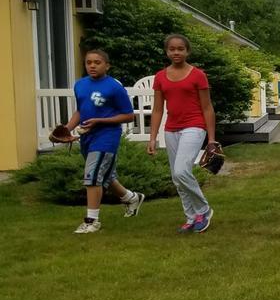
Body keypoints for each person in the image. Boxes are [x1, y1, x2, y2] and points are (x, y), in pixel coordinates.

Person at [65, 48, 145, 234]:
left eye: (97, 62)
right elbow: (80, 111)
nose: (92, 65)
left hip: (106, 137)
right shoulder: (80, 85)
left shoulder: (114, 87)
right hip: (87, 136)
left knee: (92, 176)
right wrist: (66, 129)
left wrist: (101, 121)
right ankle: (132, 198)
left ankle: (92, 221)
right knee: (105, 176)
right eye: (88, 62)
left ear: (107, 65)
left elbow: (128, 115)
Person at [148, 34, 218, 233]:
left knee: (181, 171)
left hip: (194, 126)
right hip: (171, 129)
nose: (176, 52)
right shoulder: (160, 77)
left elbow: (207, 107)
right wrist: (153, 137)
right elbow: (157, 109)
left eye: (180, 49)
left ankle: (203, 210)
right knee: (176, 178)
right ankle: (191, 217)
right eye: (172, 49)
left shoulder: (198, 75)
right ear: (167, 51)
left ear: (187, 51)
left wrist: (211, 139)